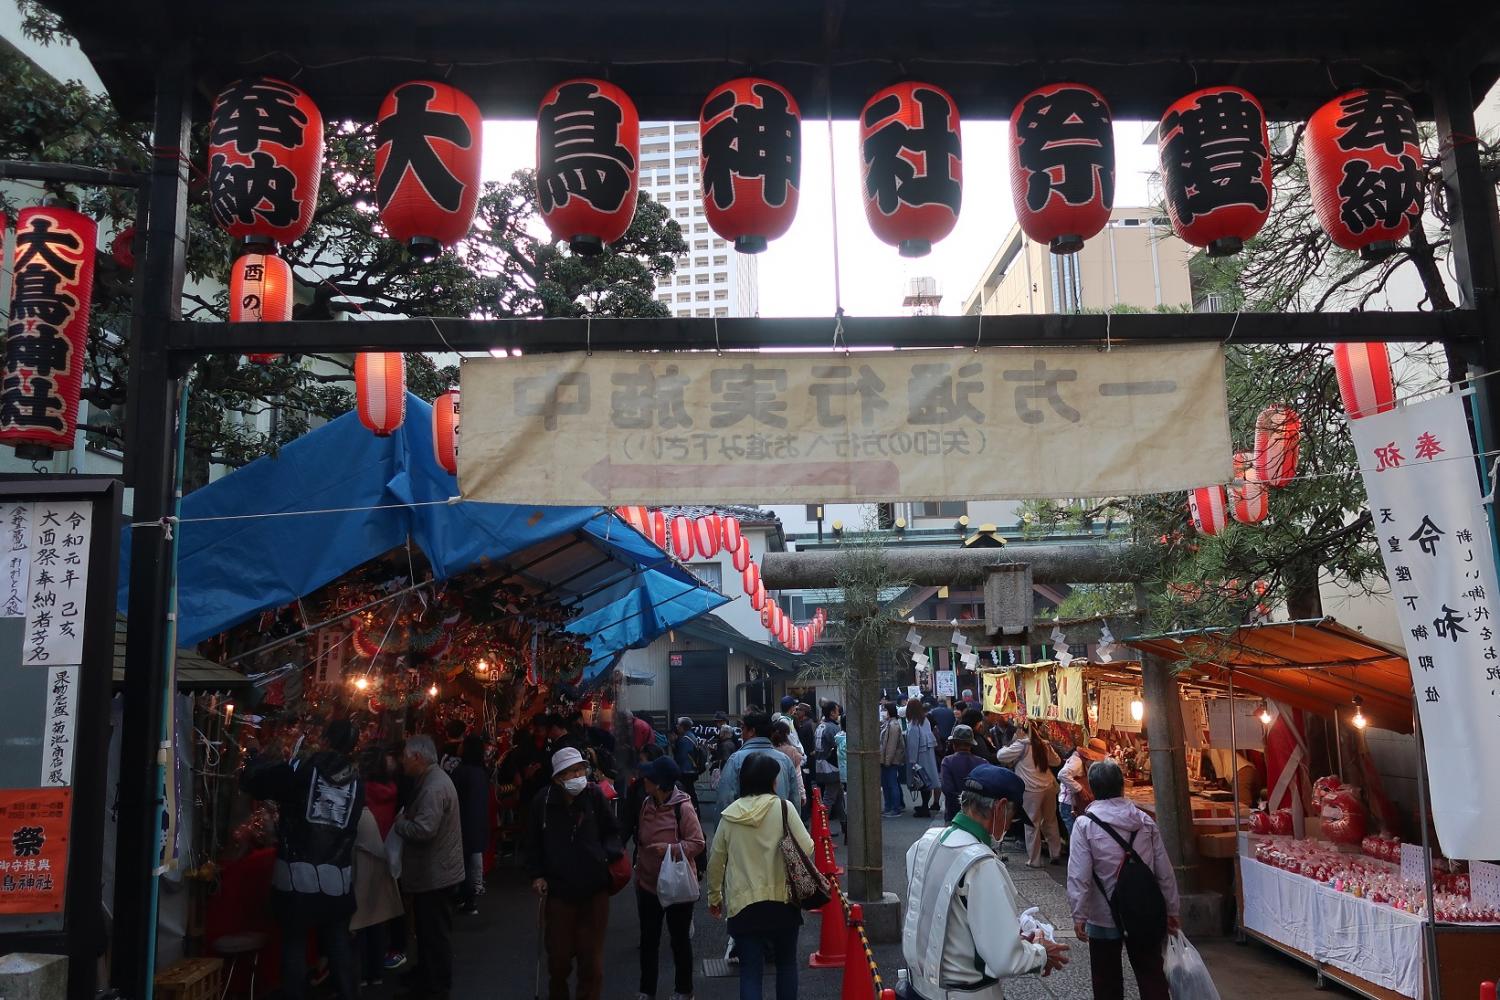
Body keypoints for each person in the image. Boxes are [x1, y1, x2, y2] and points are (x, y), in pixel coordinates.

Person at [902, 764, 1070, 999]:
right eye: (1011, 816)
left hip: (917, 987)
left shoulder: (924, 844)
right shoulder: (981, 865)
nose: (1010, 824)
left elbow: (949, 921)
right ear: (1000, 807)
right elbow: (1004, 959)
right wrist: (1041, 953)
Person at [240, 719, 364, 1000]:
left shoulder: (304, 769)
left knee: (294, 944)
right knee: (338, 943)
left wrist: (253, 757)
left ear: (326, 740)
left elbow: (258, 784)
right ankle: (348, 994)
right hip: (338, 877)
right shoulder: (357, 780)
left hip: (298, 874)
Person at [1067, 760, 1180, 1000]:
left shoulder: (1085, 825)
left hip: (1103, 913)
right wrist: (1171, 908)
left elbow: (1079, 874)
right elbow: (1164, 870)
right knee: (1151, 973)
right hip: (1143, 910)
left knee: (1106, 977)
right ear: (1122, 787)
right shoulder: (1144, 821)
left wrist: (1079, 914)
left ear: (1094, 788)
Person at [706, 753, 815, 1000]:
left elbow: (716, 862)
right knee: (786, 964)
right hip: (783, 899)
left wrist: (715, 897)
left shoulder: (729, 816)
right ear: (771, 782)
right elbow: (807, 847)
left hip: (743, 904)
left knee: (750, 971)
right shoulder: (784, 808)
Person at [526, 747, 624, 1000]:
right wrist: (537, 874)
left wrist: (606, 856)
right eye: (571, 772)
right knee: (558, 959)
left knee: (591, 962)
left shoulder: (594, 796)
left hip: (594, 889)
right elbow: (533, 842)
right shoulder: (543, 802)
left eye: (580, 769)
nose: (578, 775)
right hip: (559, 890)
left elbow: (612, 832)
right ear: (558, 778)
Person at [394, 734, 465, 1000]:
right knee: (428, 932)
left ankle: (435, 987)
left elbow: (424, 829)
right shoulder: (432, 781)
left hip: (437, 873)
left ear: (417, 757)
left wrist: (399, 823)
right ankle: (427, 977)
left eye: (405, 756)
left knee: (434, 934)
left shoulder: (433, 786)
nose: (402, 762)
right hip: (437, 870)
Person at [633, 757, 705, 1000]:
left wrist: (669, 849)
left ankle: (684, 990)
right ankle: (646, 990)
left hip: (677, 885)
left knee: (679, 940)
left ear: (660, 783)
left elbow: (697, 843)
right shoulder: (646, 803)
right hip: (647, 883)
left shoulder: (682, 807)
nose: (645, 779)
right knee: (648, 940)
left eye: (649, 777)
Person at [352, 793, 403, 989]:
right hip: (377, 877)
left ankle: (364, 975)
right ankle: (376, 973)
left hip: (362, 878)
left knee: (361, 927)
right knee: (375, 926)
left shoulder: (356, 817)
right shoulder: (368, 815)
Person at [998, 720, 1063, 867]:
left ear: (1021, 731)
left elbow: (1000, 756)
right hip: (1048, 788)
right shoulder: (1044, 745)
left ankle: (1034, 860)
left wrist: (1008, 744)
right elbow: (1056, 762)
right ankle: (1056, 853)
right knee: (1050, 821)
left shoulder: (1021, 745)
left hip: (1031, 790)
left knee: (1032, 825)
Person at [716, 712, 799, 804]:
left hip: (744, 817)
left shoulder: (736, 759)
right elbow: (794, 798)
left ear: (752, 731)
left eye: (743, 728)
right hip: (779, 816)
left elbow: (725, 799)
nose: (741, 734)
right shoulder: (785, 760)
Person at [449, 735, 491, 913]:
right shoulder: (481, 771)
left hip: (463, 820)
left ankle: (467, 897)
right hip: (478, 819)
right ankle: (474, 890)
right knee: (473, 857)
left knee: (464, 860)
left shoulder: (462, 772)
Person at [1058, 737, 1108, 836]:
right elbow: (1062, 774)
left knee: (1079, 835)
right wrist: (1079, 789)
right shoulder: (1077, 761)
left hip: (1075, 804)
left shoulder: (1082, 761)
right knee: (1075, 837)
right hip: (1069, 805)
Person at [812, 702, 846, 839]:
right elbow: (839, 748)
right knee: (829, 798)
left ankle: (845, 825)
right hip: (832, 767)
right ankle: (822, 829)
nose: (838, 713)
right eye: (837, 711)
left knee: (838, 798)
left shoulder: (820, 726)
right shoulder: (833, 728)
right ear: (832, 712)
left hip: (821, 764)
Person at [939, 725, 985, 824]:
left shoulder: (947, 762)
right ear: (971, 744)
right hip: (978, 815)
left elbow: (947, 790)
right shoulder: (982, 763)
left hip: (954, 815)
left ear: (954, 744)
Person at [904, 698, 940, 819]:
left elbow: (913, 744)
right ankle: (925, 805)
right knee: (927, 781)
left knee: (922, 781)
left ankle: (924, 808)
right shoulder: (925, 720)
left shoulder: (913, 724)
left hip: (919, 756)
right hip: (928, 754)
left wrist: (912, 761)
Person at [669, 716, 704, 811]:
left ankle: (691, 812)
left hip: (686, 771)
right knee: (691, 792)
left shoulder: (684, 740)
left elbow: (681, 758)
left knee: (687, 793)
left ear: (682, 726)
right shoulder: (691, 736)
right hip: (691, 770)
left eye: (678, 725)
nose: (676, 727)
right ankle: (695, 812)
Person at [768, 720, 806, 807]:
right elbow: (798, 776)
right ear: (786, 735)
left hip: (768, 794)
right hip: (787, 794)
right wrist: (802, 794)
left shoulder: (767, 749)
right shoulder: (791, 751)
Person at [879, 701, 907, 817]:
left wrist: (887, 761)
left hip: (890, 760)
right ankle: (889, 806)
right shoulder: (887, 723)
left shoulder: (893, 725)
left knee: (891, 783)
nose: (883, 712)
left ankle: (895, 808)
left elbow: (891, 746)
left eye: (885, 710)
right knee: (887, 784)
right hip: (885, 759)